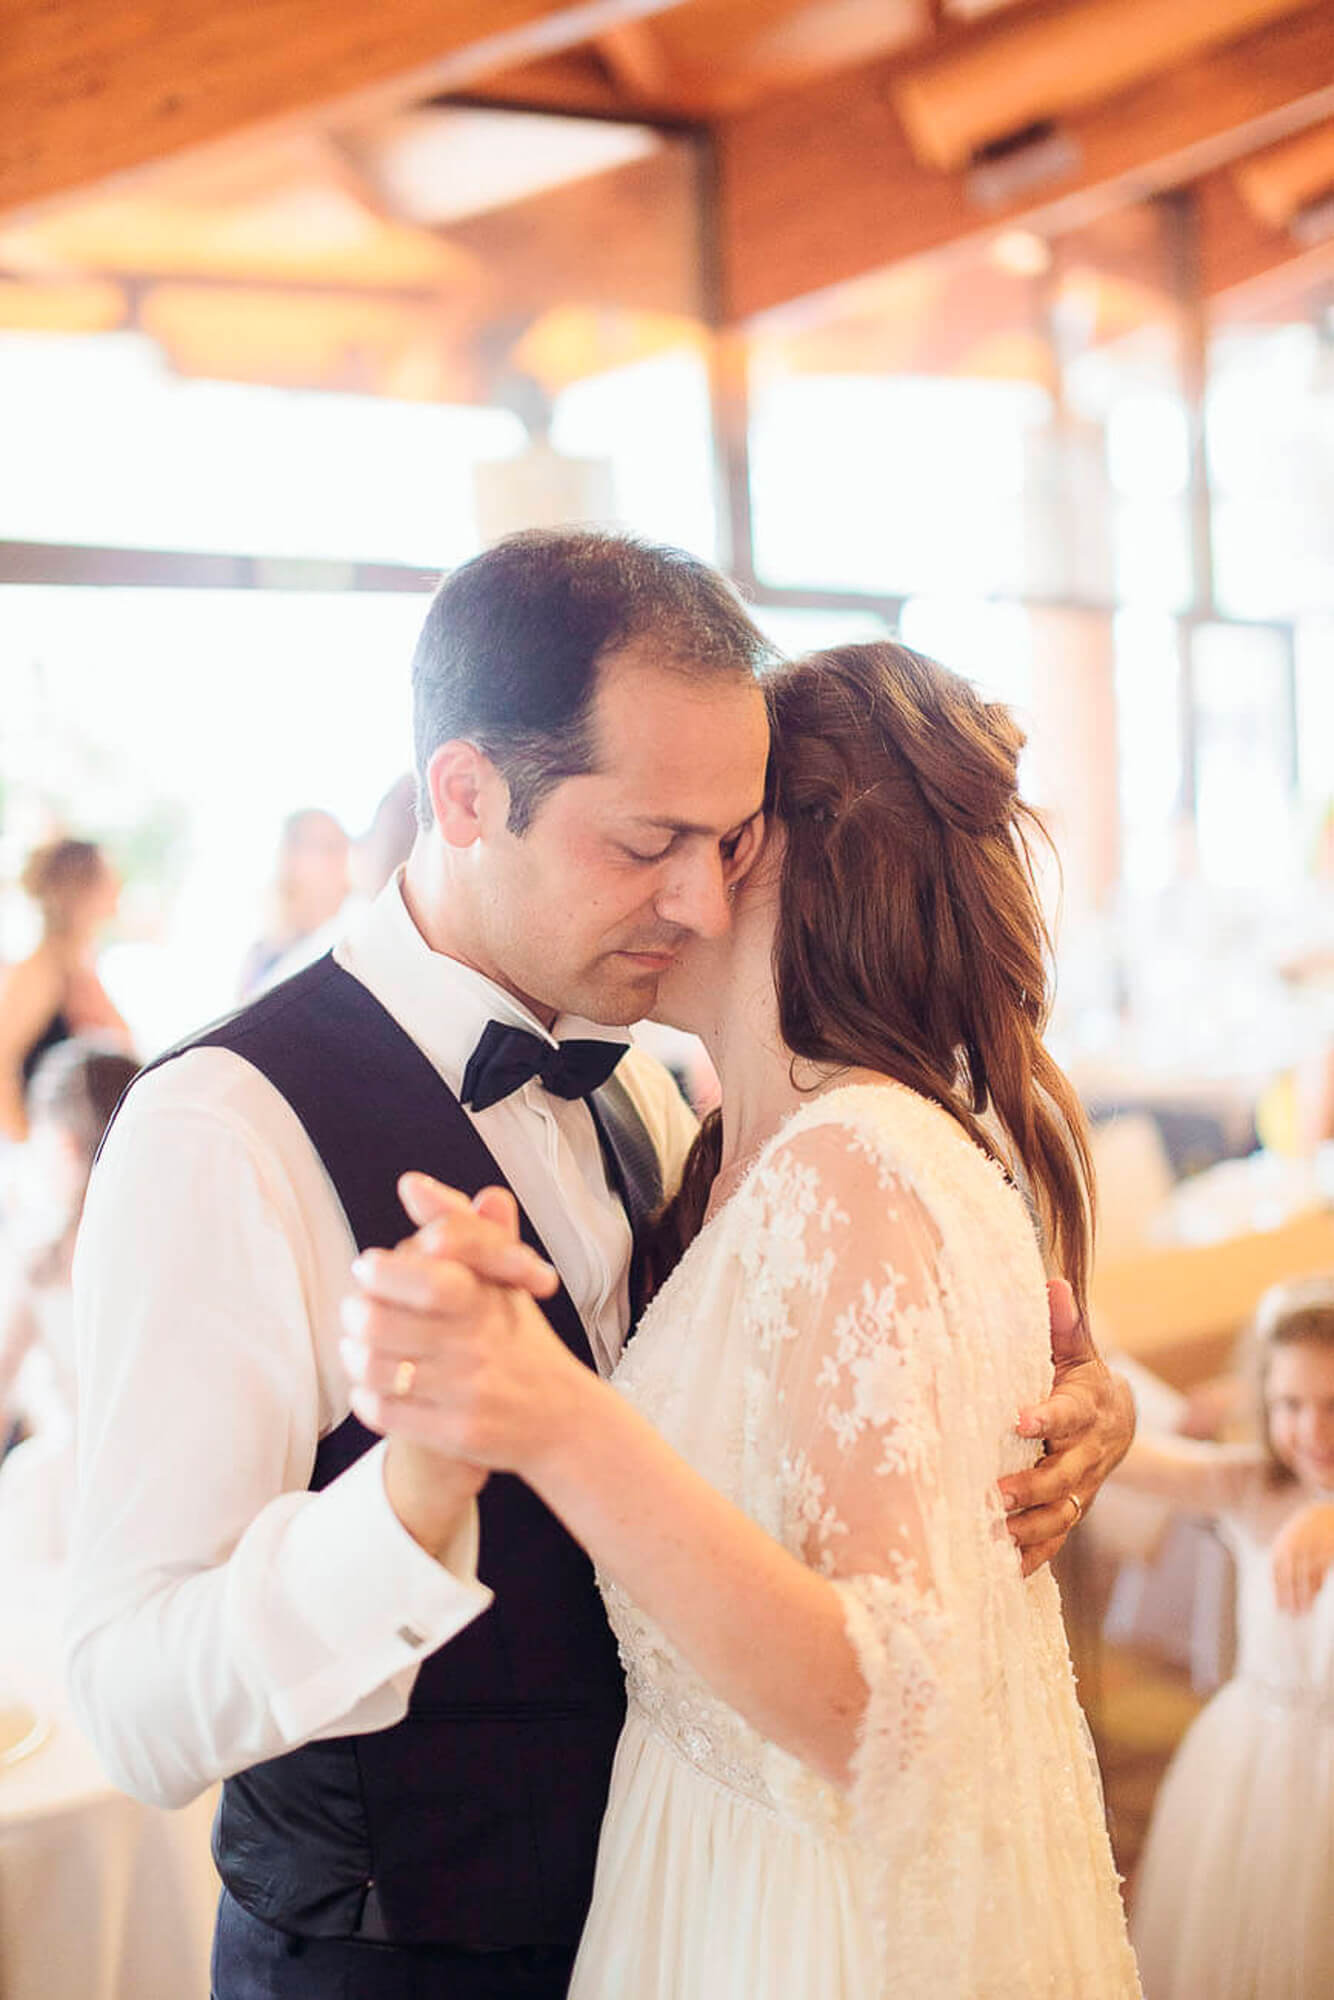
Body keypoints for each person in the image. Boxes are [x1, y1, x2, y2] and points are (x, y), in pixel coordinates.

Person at [70, 534, 1131, 2000]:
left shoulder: (656, 1086)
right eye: (645, 846)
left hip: (702, 1919)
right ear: (464, 793)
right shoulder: (220, 1133)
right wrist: (407, 1500)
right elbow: (131, 1698)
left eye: (731, 844)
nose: (697, 904)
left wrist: (1021, 1419)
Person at [343, 641, 1141, 1996]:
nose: (668, 883)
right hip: (697, 1859)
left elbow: (887, 1709)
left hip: (805, 1912)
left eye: (701, 835)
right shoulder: (719, 1145)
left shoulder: (859, 1167)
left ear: (775, 858)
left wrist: (552, 1417)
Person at [1108, 1275, 1334, 1998]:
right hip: (1260, 1762)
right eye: (1290, 1406)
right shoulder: (1254, 1488)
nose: (1313, 1433)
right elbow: (1130, 1458)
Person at [0, 1039, 139, 1565]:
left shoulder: (42, 1261)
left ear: (59, 1145)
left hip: (60, 1504)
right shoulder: (168, 1247)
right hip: (157, 1480)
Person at [0, 838, 129, 1141]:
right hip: (55, 1163)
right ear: (80, 890)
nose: (118, 886)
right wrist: (31, 1144)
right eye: (107, 877)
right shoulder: (41, 970)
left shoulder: (82, 966)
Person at [237, 807, 351, 997]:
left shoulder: (347, 940)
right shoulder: (261, 952)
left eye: (335, 848)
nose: (337, 860)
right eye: (324, 848)